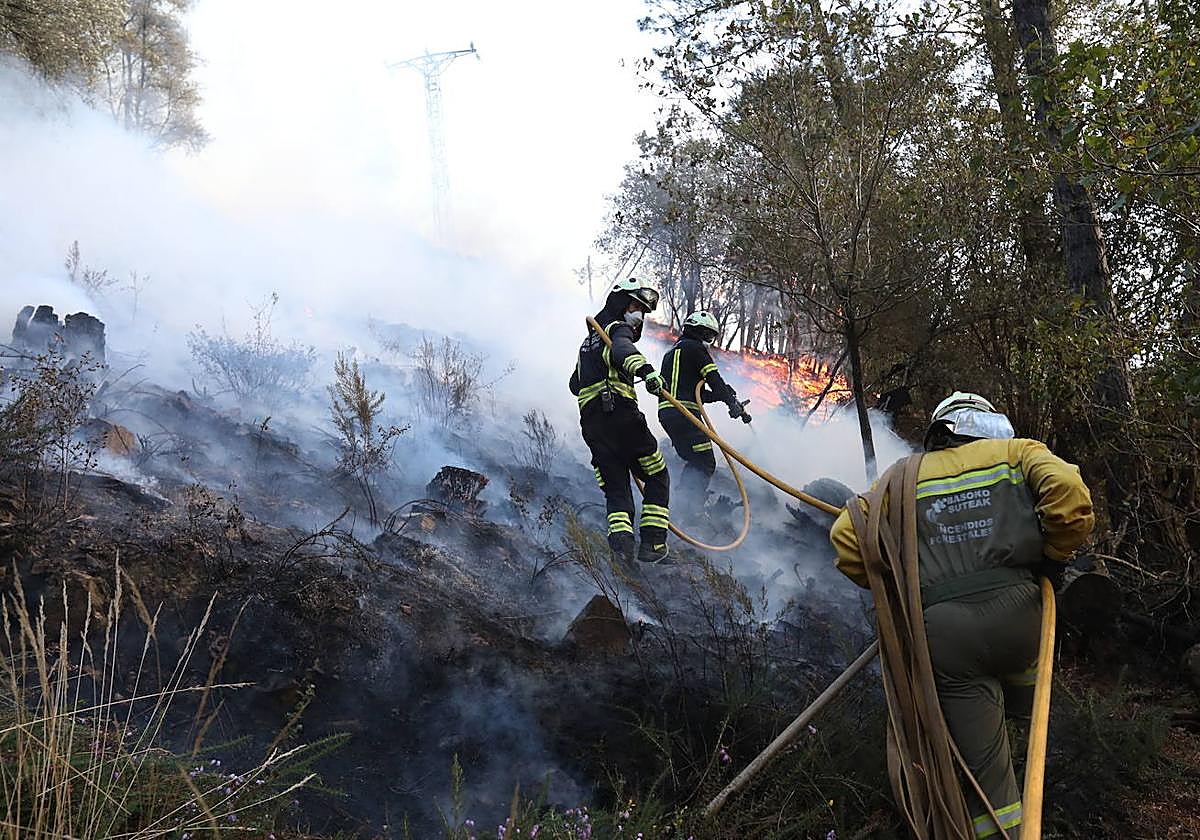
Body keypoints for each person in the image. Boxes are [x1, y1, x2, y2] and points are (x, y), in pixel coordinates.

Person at [830, 391, 1094, 839]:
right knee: (1037, 712)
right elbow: (1070, 496)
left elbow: (847, 539)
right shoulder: (1018, 453)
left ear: (940, 431)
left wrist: (902, 589)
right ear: (988, 426)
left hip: (946, 636)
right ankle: (1066, 771)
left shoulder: (900, 478)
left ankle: (1003, 824)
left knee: (984, 774)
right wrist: (1054, 555)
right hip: (1023, 620)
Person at [569, 278, 671, 565]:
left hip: (592, 425)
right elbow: (623, 349)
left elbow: (574, 384)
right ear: (620, 301)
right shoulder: (616, 328)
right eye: (636, 306)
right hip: (621, 416)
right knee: (656, 473)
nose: (639, 315)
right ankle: (652, 544)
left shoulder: (587, 343)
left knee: (616, 486)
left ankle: (621, 551)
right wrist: (646, 371)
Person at [657, 310, 750, 521]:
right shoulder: (696, 349)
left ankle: (682, 505)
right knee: (706, 461)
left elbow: (694, 392)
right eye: (708, 336)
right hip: (685, 414)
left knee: (695, 459)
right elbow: (713, 379)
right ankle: (691, 512)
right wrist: (730, 402)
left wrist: (721, 396)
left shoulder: (671, 353)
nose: (709, 341)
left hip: (668, 414)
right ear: (700, 332)